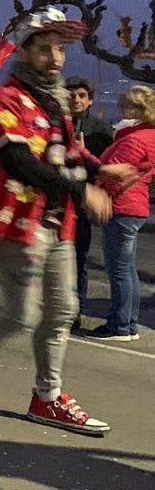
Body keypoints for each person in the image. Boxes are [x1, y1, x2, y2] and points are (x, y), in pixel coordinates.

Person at [0, 8, 129, 436]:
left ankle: (48, 396)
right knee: (21, 314)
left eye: (60, 49)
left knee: (63, 309)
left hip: (56, 220)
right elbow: (18, 161)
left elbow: (65, 152)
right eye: (45, 49)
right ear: (23, 52)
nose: (56, 58)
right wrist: (83, 190)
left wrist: (100, 173)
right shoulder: (5, 100)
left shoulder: (55, 100)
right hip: (15, 220)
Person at [86, 86, 155, 341]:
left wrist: (85, 158)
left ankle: (120, 325)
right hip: (135, 207)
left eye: (132, 107)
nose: (125, 111)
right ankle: (128, 323)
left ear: (143, 110)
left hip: (122, 206)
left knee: (119, 270)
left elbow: (112, 172)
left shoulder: (135, 139)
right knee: (127, 269)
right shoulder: (147, 136)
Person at [65, 76, 114, 327]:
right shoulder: (56, 124)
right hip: (58, 196)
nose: (76, 100)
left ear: (90, 100)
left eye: (81, 95)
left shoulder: (100, 129)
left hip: (83, 199)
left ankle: (76, 309)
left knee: (79, 258)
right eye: (72, 95)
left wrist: (85, 153)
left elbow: (105, 167)